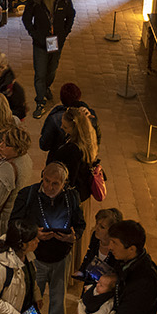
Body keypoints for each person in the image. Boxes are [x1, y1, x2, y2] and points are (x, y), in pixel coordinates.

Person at [10, 162, 84, 314]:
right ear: (42, 176)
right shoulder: (28, 195)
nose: (50, 187)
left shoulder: (71, 198)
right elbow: (14, 223)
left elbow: (80, 224)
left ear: (64, 184)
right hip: (35, 260)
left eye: (56, 184)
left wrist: (73, 237)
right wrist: (35, 233)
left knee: (58, 304)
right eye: (47, 181)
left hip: (61, 259)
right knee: (31, 303)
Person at [47, 106, 101, 265]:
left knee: (68, 234)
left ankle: (67, 267)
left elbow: (69, 178)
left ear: (75, 128)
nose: (62, 129)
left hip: (72, 200)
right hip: (83, 196)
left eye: (65, 127)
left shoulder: (73, 150)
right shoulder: (88, 140)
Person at [21, 0, 77, 118]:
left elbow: (71, 15)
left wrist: (65, 33)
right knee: (40, 72)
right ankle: (40, 101)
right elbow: (26, 19)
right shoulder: (35, 0)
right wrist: (34, 34)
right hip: (40, 43)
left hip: (56, 41)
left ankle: (45, 88)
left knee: (52, 69)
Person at [40, 82, 97, 153]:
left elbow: (44, 145)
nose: (62, 127)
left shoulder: (56, 118)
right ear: (79, 97)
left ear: (61, 99)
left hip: (59, 156)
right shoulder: (90, 115)